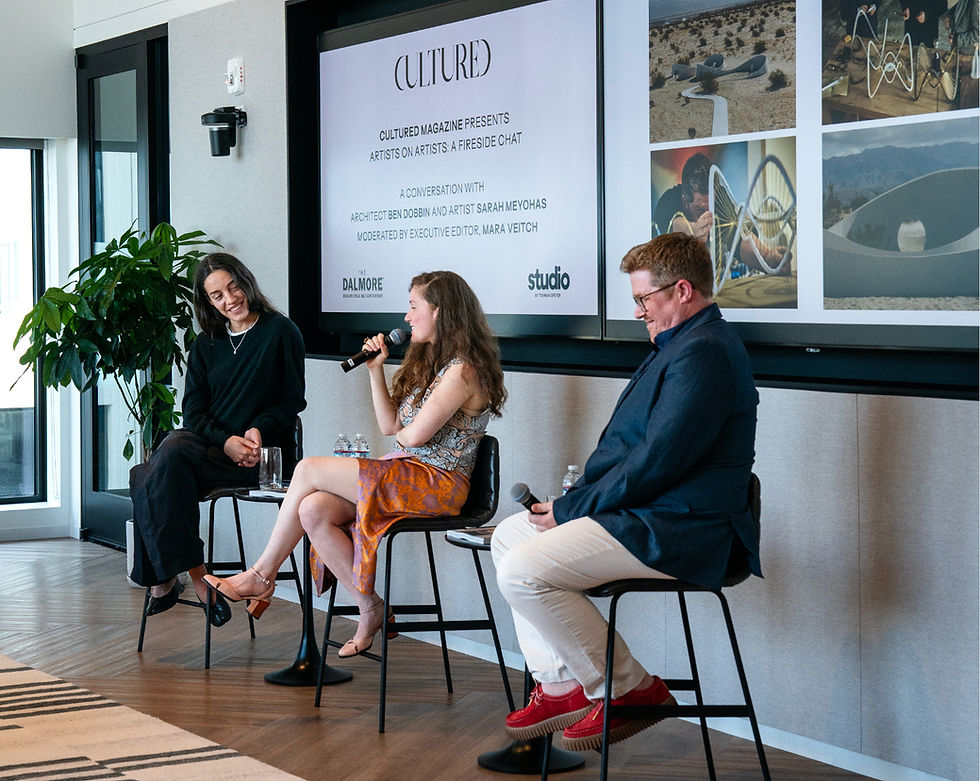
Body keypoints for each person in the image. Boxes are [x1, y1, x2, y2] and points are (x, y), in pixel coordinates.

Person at [491, 233, 760, 751]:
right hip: (645, 514)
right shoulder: (682, 344)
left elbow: (657, 462)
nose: (638, 311)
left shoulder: (705, 352)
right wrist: (571, 507)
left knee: (522, 570)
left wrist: (572, 509)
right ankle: (562, 684)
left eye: (643, 299)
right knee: (508, 537)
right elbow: (643, 459)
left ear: (682, 290)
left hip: (681, 527)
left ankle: (627, 688)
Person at [204, 271, 506, 658]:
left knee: (307, 469)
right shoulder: (434, 362)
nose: (407, 316)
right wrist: (375, 369)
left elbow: (413, 438)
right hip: (407, 474)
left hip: (437, 484)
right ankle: (371, 608)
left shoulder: (463, 369)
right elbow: (391, 426)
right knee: (313, 509)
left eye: (414, 307)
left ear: (442, 311)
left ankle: (261, 575)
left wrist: (405, 438)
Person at [129, 252, 307, 625]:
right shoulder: (205, 343)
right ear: (208, 302)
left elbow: (292, 401)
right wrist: (227, 441)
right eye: (217, 296)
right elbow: (194, 414)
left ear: (246, 282)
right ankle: (200, 579)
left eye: (233, 287)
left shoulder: (281, 332)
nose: (230, 299)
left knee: (150, 471)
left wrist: (257, 430)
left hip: (265, 456)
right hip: (214, 449)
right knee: (167, 456)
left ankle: (167, 581)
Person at [652, 152, 786, 276]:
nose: (707, 215)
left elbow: (738, 239)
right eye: (700, 210)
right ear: (684, 199)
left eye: (711, 208)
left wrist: (767, 258)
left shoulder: (720, 199)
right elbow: (675, 225)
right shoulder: (668, 201)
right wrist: (694, 230)